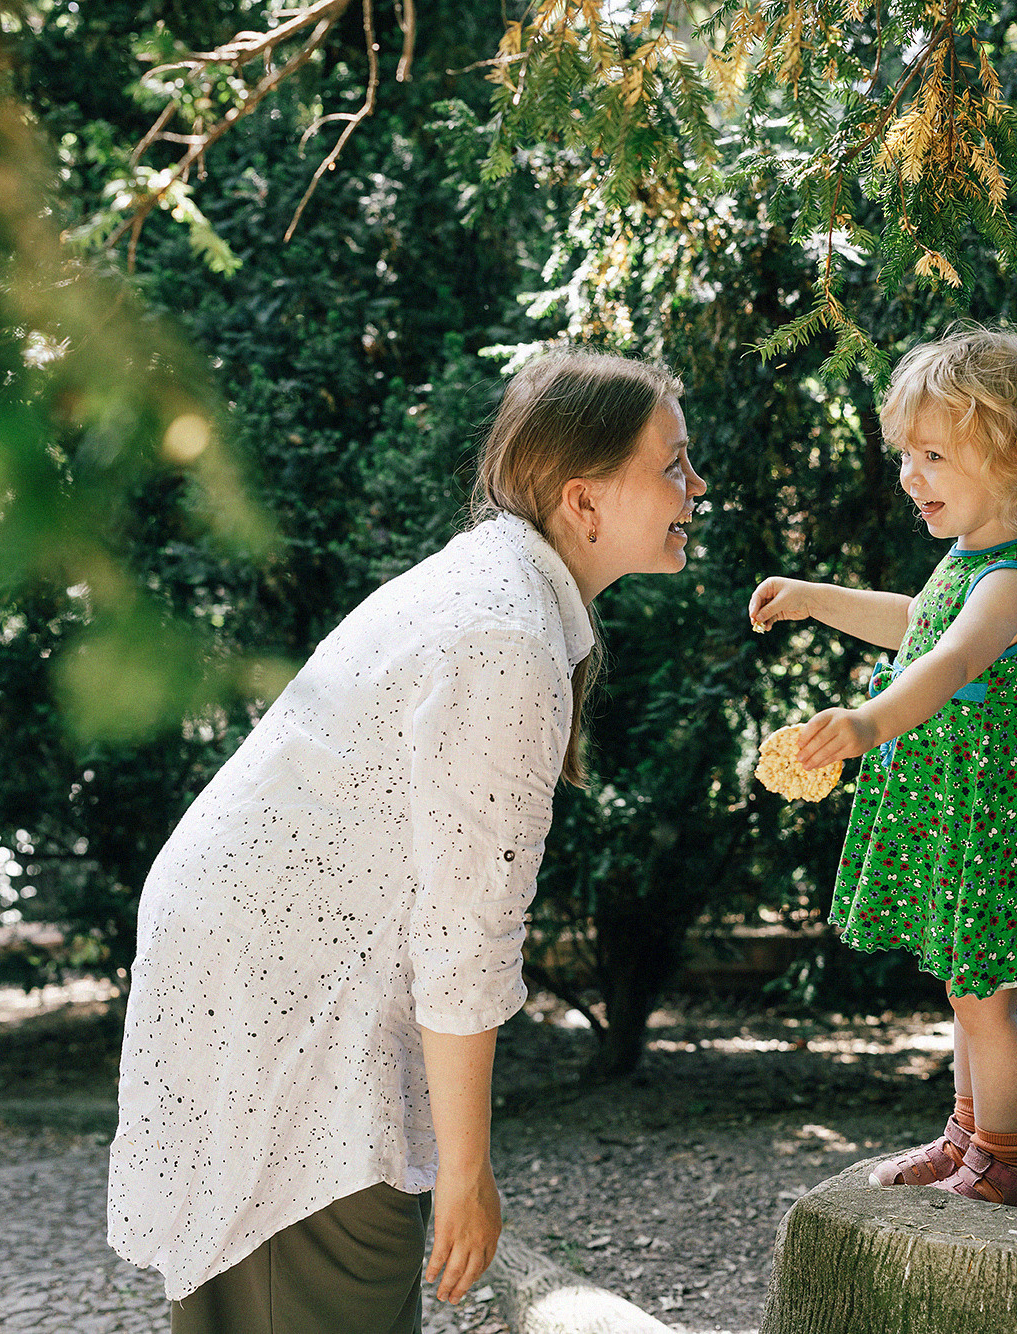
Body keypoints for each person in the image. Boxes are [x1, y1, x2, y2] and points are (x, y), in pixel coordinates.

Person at [107, 350, 707, 1333]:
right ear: (583, 500)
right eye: (672, 463)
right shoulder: (507, 635)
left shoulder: (500, 586)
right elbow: (464, 941)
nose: (694, 487)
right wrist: (466, 1172)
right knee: (326, 1284)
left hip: (250, 965)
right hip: (283, 998)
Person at [748, 325, 1017, 1208]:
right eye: (907, 454)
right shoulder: (973, 560)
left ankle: (1010, 1161)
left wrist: (867, 723)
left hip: (992, 816)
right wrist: (816, 599)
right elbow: (919, 622)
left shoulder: (1014, 579)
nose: (911, 475)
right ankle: (971, 1138)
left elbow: (944, 668)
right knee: (964, 991)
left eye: (935, 454)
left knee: (986, 999)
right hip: (961, 808)